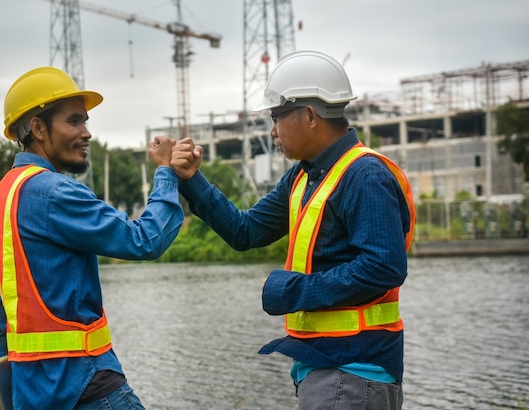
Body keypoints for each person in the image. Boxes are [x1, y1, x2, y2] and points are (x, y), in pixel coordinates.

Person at [170, 51, 415, 410]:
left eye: (276, 117)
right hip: (326, 367)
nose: (272, 131)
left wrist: (292, 289)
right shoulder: (303, 176)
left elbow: (384, 267)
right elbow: (245, 230)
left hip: (354, 369)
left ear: (310, 116)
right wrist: (192, 181)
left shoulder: (364, 175)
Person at [0, 66, 184, 410]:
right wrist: (165, 173)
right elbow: (145, 239)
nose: (87, 133)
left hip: (31, 396)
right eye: (74, 122)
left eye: (85, 122)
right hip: (87, 386)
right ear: (39, 128)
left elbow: (2, 318)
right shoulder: (55, 192)